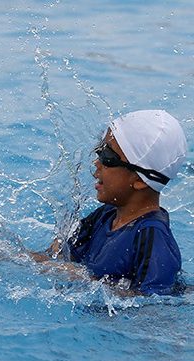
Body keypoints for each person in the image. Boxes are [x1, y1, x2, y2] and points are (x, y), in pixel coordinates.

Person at [32, 110, 188, 296]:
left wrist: (85, 281)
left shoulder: (152, 236)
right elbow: (55, 257)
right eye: (99, 150)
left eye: (107, 157)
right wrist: (1, 254)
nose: (96, 163)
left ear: (140, 181)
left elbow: (154, 305)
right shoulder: (104, 215)